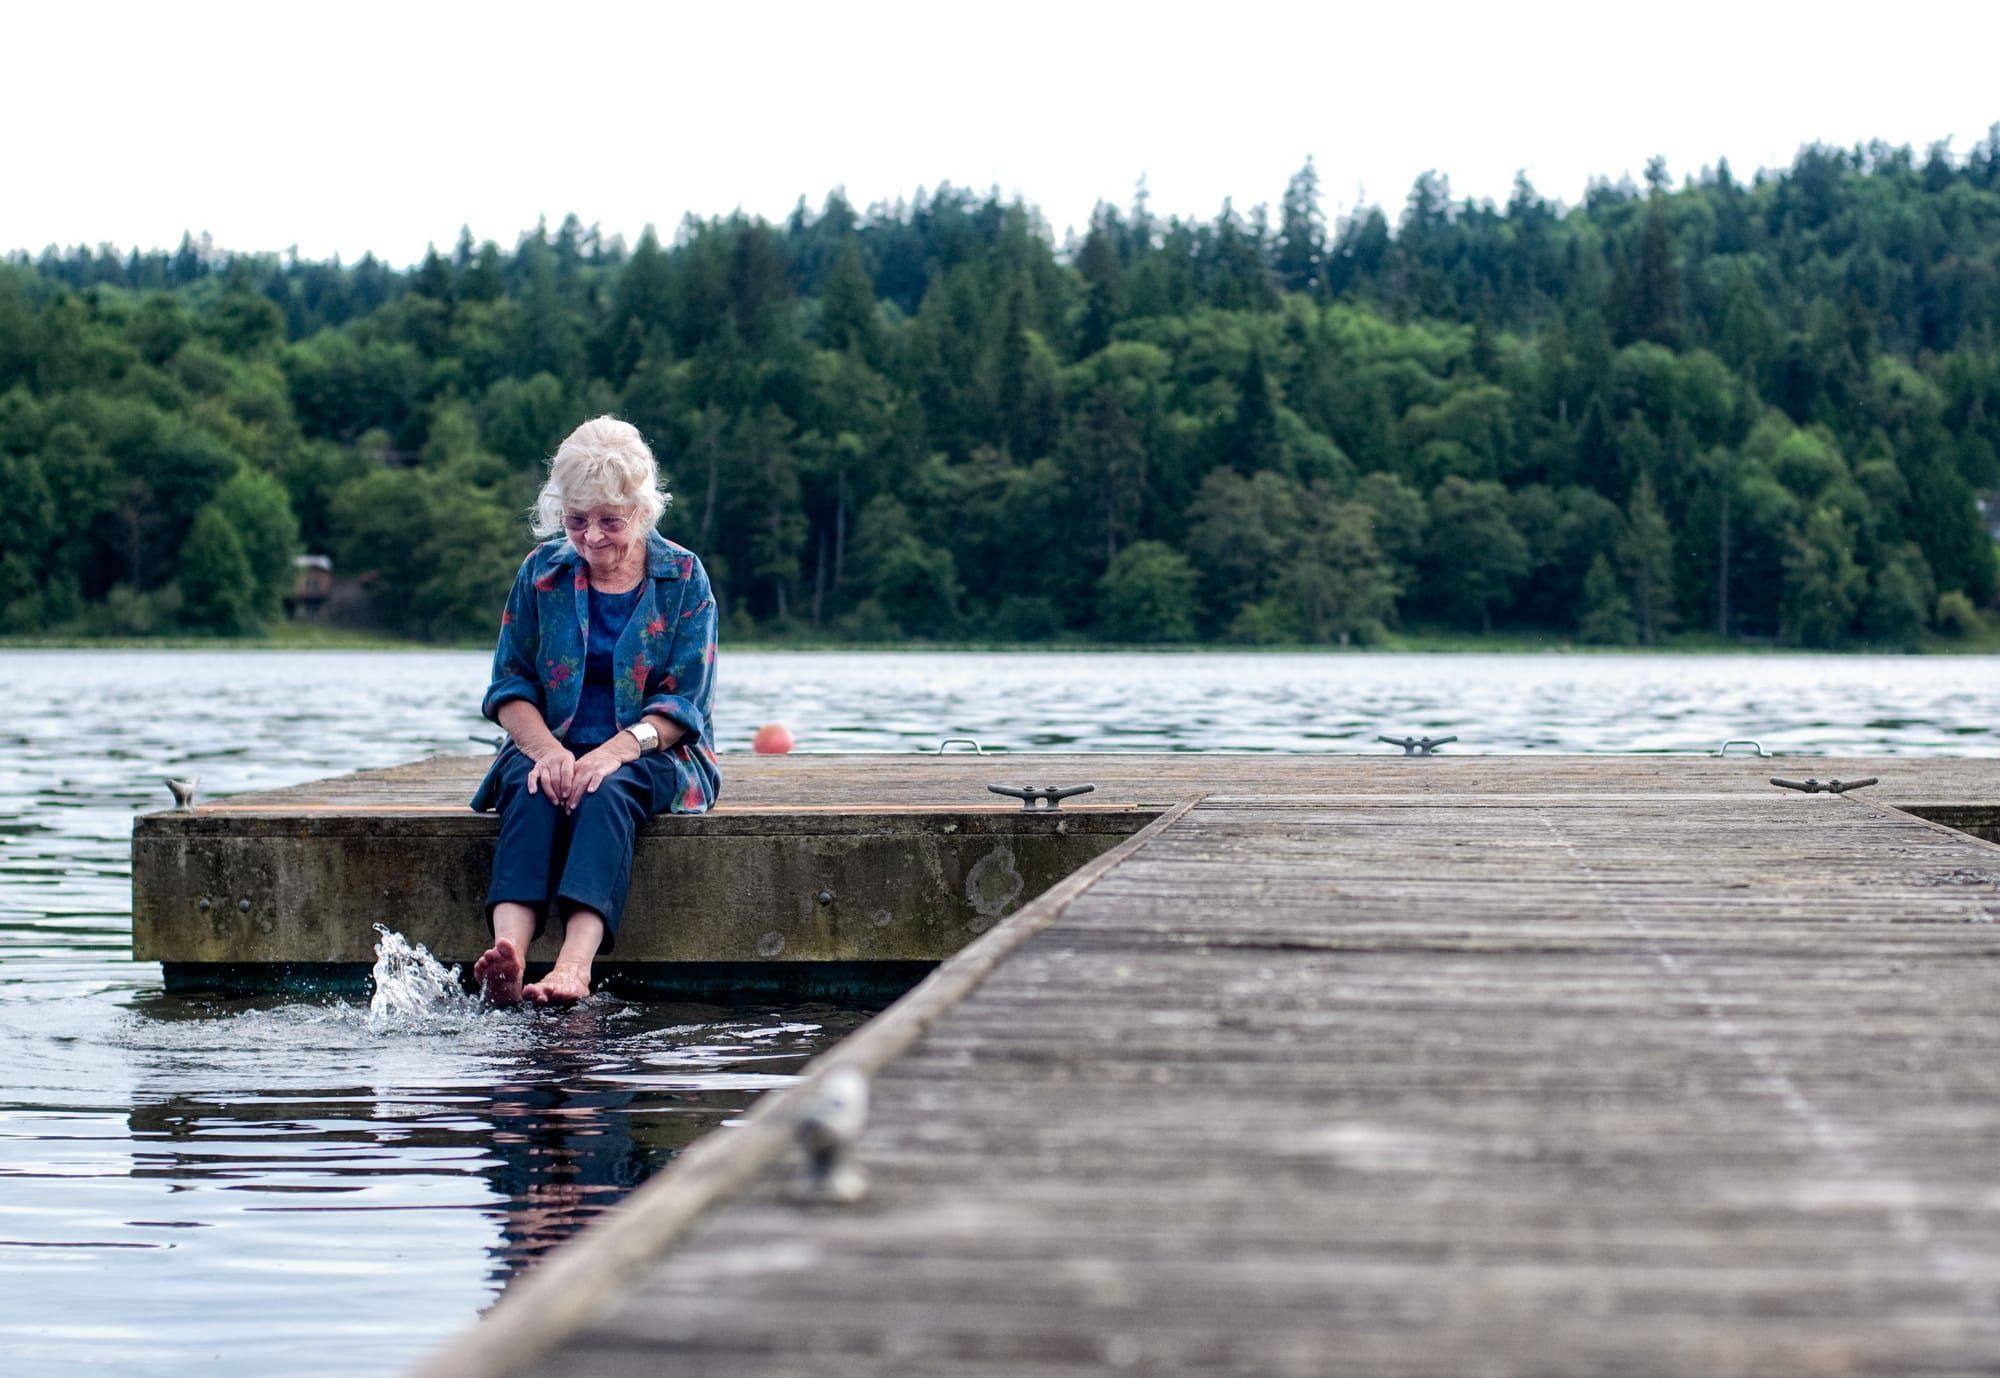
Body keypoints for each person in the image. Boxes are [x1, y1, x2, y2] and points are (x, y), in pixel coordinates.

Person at [468, 417, 720, 1006]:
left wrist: (611, 752)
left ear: (642, 511)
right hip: (548, 743)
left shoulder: (684, 576)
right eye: (577, 521)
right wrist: (548, 751)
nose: (593, 537)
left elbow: (685, 703)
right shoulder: (541, 571)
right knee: (530, 787)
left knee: (606, 790)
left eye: (610, 521)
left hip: (654, 752)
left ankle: (573, 968)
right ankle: (507, 957)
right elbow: (509, 686)